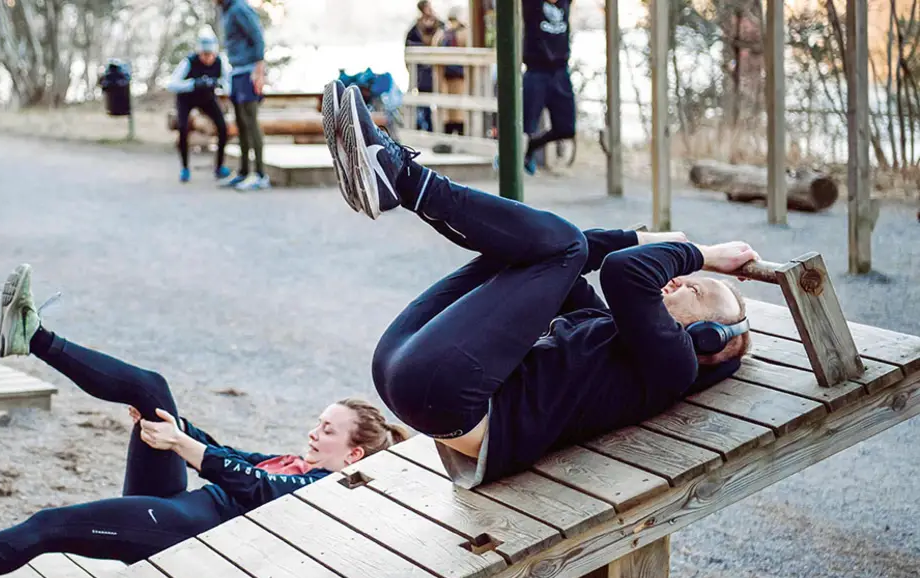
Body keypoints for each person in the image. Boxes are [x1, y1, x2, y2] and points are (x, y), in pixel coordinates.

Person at [0, 263, 407, 578]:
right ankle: (32, 338)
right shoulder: (297, 463)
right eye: (318, 421)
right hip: (179, 505)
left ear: (354, 452)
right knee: (152, 388)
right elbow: (231, 455)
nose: (315, 432)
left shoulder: (324, 493)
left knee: (50, 526)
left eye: (328, 430)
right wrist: (177, 428)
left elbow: (249, 484)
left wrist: (184, 446)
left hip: (182, 541)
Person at [323, 81, 757, 488]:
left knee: (562, 244)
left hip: (450, 397)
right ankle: (393, 179)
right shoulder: (604, 330)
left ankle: (402, 179)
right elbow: (579, 251)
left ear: (706, 337)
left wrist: (703, 253)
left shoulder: (675, 366)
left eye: (695, 290)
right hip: (404, 365)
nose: (678, 280)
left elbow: (625, 274)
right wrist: (641, 239)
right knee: (542, 249)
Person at [217, 0, 270, 191]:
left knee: (250, 122)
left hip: (249, 71)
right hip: (236, 71)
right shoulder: (226, 10)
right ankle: (244, 171)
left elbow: (257, 35)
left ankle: (261, 174)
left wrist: (259, 70)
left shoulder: (240, 7)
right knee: (240, 123)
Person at [168, 30, 232, 184]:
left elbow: (228, 83)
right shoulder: (189, 62)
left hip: (207, 97)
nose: (208, 58)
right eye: (204, 54)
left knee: (223, 127)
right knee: (183, 128)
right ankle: (185, 168)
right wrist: (193, 83)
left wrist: (219, 85)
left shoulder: (221, 61)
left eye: (210, 55)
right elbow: (172, 84)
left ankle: (219, 166)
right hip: (186, 98)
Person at [521, 0, 576, 174]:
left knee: (566, 128)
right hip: (536, 70)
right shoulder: (533, 5)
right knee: (525, 126)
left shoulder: (564, 3)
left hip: (560, 71)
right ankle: (514, 156)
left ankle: (532, 146)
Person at [405, 0, 445, 132]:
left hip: (438, 72)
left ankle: (437, 129)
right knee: (424, 105)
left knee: (439, 103)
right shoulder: (415, 30)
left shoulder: (440, 26)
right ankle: (427, 128)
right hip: (423, 74)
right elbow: (409, 51)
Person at [441, 7, 468, 136]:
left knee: (454, 110)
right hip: (456, 76)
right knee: (456, 110)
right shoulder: (462, 33)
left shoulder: (445, 33)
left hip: (453, 76)